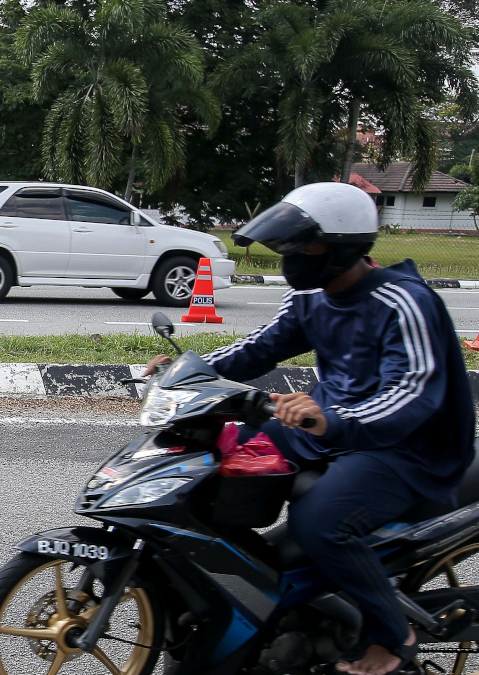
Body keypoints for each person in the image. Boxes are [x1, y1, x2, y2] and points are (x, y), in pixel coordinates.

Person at [145, 182, 475, 675]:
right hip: (329, 426)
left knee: (321, 523)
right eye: (287, 246)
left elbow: (412, 394)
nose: (291, 257)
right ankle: (244, 592)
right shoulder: (311, 297)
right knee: (220, 461)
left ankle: (392, 633)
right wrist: (189, 373)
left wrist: (330, 418)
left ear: (342, 247)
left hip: (404, 447)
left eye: (303, 246)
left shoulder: (404, 302)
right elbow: (258, 348)